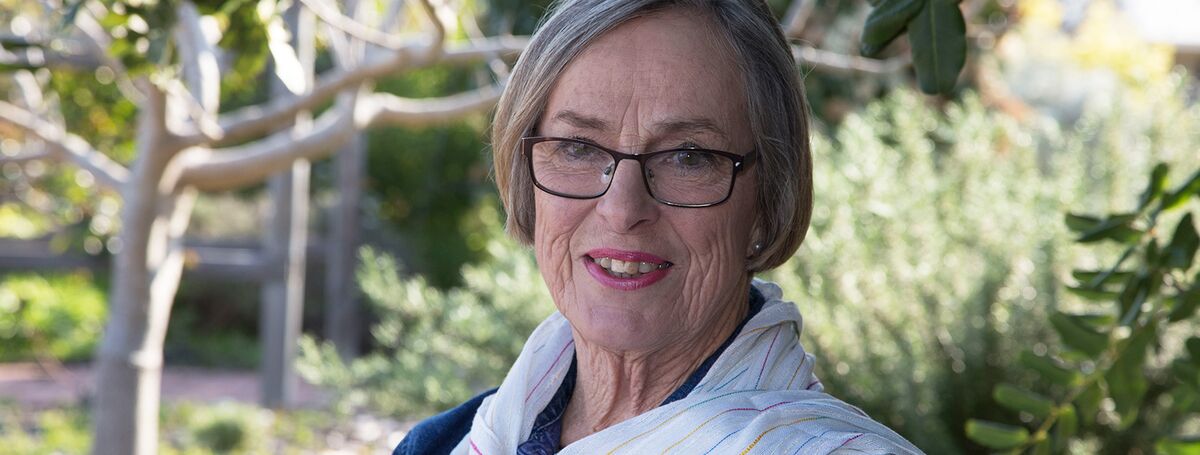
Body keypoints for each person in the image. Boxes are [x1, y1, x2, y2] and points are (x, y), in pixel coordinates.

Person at [395, 0, 923, 453]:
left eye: (688, 157)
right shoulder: (449, 442)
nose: (623, 210)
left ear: (767, 198)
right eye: (578, 147)